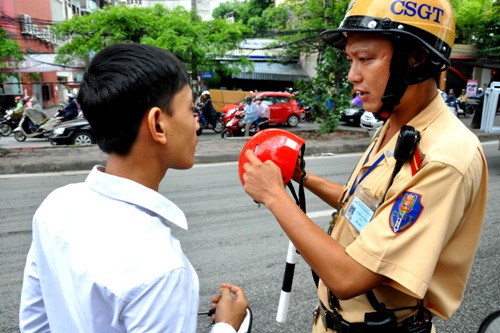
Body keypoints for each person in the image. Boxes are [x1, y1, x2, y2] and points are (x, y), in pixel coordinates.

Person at [240, 0, 488, 332]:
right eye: (350, 60)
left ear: (414, 58)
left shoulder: (445, 157)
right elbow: (364, 205)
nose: (352, 75)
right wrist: (304, 177)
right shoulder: (397, 123)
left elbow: (349, 276)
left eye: (366, 59)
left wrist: (274, 196)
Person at [19, 43, 248, 333]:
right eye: (190, 110)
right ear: (158, 125)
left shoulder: (56, 205)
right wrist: (227, 326)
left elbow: (35, 324)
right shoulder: (160, 268)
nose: (197, 126)